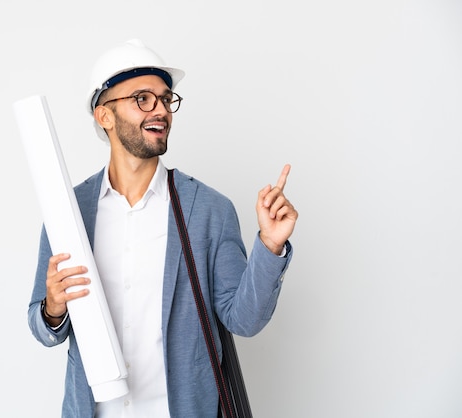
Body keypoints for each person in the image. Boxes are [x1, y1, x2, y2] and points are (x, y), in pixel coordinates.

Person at [27, 39, 298, 418]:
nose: (160, 110)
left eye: (166, 99)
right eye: (142, 98)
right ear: (104, 115)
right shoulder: (69, 212)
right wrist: (53, 308)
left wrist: (269, 247)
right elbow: (42, 328)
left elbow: (244, 320)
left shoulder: (209, 210)